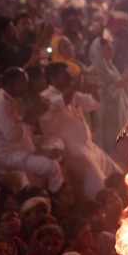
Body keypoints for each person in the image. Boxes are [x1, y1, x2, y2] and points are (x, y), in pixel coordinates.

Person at [39, 63, 121, 199]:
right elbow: (61, 102)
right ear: (52, 78)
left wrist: (93, 84)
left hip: (89, 147)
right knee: (98, 182)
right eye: (65, 75)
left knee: (118, 175)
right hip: (70, 151)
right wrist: (76, 84)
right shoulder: (45, 97)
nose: (69, 77)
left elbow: (95, 102)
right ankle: (97, 212)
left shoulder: (73, 94)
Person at [0, 68, 64, 194]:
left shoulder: (11, 99)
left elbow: (23, 127)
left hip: (20, 148)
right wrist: (29, 118)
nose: (27, 85)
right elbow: (11, 136)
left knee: (57, 142)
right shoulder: (1, 104)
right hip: (7, 155)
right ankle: (55, 196)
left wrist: (36, 115)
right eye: (23, 82)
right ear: (11, 84)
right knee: (53, 166)